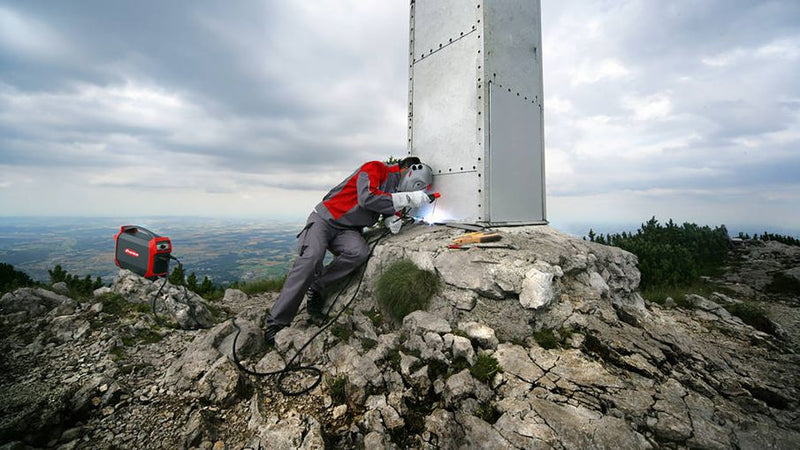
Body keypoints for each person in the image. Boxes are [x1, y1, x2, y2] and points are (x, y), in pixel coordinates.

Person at [264, 156, 434, 344]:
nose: (414, 190)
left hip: (348, 230)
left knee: (358, 252)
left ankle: (317, 287)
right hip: (324, 220)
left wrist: (392, 218)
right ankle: (276, 322)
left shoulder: (394, 190)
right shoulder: (376, 168)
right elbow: (366, 198)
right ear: (410, 171)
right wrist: (408, 198)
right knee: (312, 258)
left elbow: (386, 207)